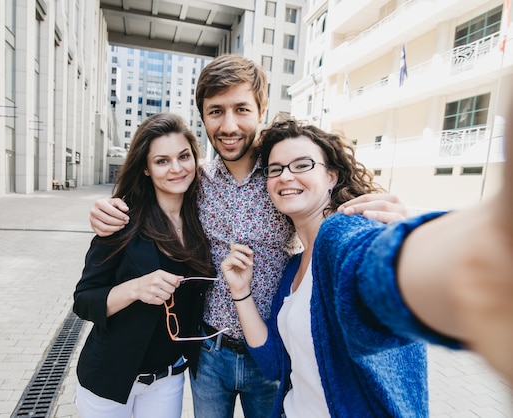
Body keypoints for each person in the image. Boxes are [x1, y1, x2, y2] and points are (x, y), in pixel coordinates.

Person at [88, 54, 407, 418]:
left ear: (262, 109)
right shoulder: (195, 182)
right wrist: (106, 209)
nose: (229, 125)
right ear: (203, 116)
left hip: (272, 356)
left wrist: (395, 227)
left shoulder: (283, 177)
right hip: (208, 352)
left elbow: (341, 209)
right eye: (215, 111)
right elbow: (148, 198)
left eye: (241, 109)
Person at [221, 112, 513, 417]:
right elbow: (274, 364)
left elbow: (377, 270)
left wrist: (410, 243)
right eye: (275, 169)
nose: (285, 176)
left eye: (302, 164)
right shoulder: (294, 269)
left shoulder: (345, 234)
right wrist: (241, 292)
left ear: (331, 176)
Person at [73, 113, 219, 418]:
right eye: (162, 161)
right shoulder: (122, 220)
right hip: (110, 377)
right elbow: (84, 301)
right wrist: (135, 288)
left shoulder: (204, 218)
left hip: (168, 379)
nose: (177, 168)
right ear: (146, 168)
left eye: (183, 156)